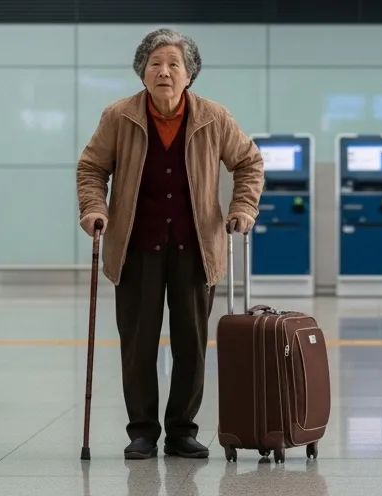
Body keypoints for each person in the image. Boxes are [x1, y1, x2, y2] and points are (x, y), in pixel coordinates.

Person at [76, 28, 264, 459]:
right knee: (138, 344)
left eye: (173, 64)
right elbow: (91, 167)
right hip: (137, 246)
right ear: (142, 71)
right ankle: (142, 431)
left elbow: (249, 162)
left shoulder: (213, 117)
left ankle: (182, 430)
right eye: (155, 63)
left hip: (196, 248)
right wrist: (93, 208)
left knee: (191, 344)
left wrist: (244, 207)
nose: (164, 72)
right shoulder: (119, 116)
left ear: (189, 73)